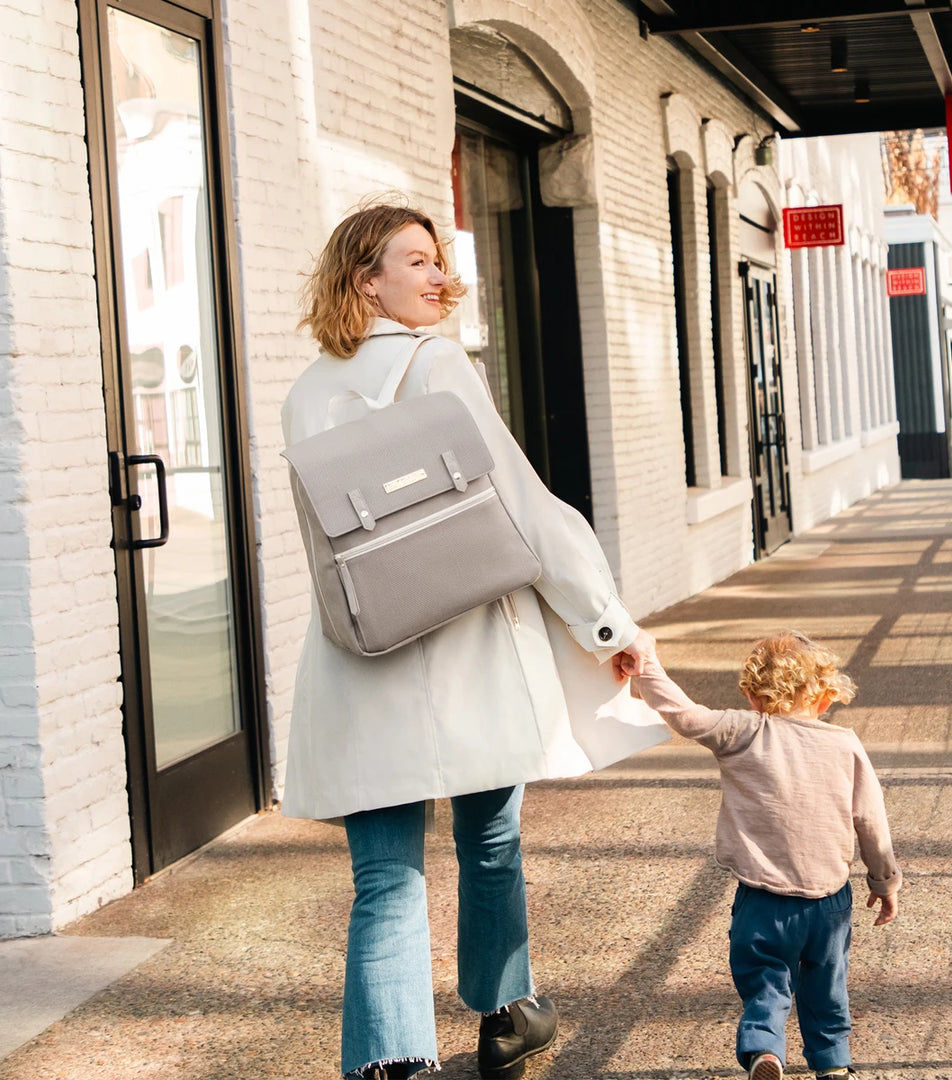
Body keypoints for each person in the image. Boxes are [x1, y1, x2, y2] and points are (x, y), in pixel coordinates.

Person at [281, 197, 668, 1080]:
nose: (436, 274)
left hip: (363, 650)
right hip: (463, 645)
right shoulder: (438, 363)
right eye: (413, 260)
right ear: (363, 279)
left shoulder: (309, 389)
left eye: (436, 259)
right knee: (488, 838)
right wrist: (604, 621)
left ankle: (391, 1063)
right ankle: (505, 1010)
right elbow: (522, 508)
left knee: (385, 875)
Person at [622, 630, 901, 1080]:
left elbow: (685, 715)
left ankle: (765, 1050)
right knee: (826, 988)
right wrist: (884, 882)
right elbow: (870, 819)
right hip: (828, 901)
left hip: (763, 901)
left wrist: (648, 665)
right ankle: (833, 1066)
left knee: (766, 984)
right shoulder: (844, 743)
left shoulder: (743, 731)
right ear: (825, 696)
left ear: (754, 696)